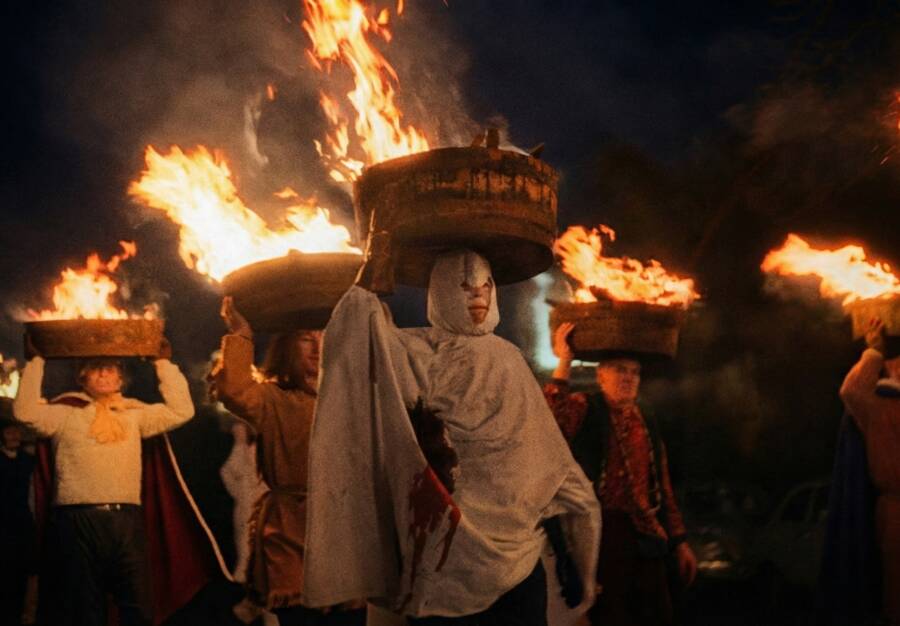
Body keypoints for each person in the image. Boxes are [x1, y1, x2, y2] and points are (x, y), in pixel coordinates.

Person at [303, 243, 601, 626]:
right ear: (439, 291)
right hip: (443, 568)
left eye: (485, 285)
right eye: (462, 285)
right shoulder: (413, 354)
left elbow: (559, 472)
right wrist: (371, 277)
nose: (477, 293)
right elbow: (358, 338)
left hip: (513, 575)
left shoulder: (507, 360)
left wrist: (588, 575)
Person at [13, 337, 199, 626]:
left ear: (121, 379)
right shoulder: (65, 413)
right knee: (85, 611)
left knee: (139, 608)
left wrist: (163, 364)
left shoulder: (134, 414)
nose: (103, 374)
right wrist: (36, 362)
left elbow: (182, 411)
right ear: (82, 377)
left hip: (125, 520)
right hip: (75, 521)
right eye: (96, 368)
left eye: (110, 369)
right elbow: (24, 413)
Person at [214, 296, 365, 626]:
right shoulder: (272, 398)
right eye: (305, 339)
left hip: (344, 527)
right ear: (287, 348)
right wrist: (240, 333)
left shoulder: (352, 396)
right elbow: (234, 390)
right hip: (290, 530)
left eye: (323, 336)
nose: (316, 346)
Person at [544, 322, 696, 626]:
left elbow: (662, 485)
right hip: (601, 533)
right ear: (601, 376)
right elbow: (550, 417)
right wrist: (565, 360)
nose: (628, 378)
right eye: (619, 370)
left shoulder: (646, 417)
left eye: (634, 372)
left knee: (657, 616)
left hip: (646, 534)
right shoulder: (586, 407)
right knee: (608, 617)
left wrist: (679, 540)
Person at [839, 318, 900, 625]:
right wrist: (875, 354)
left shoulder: (881, 408)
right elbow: (852, 392)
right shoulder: (884, 408)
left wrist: (874, 352)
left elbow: (852, 391)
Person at [0, 414, 36, 626]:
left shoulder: (28, 461)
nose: (14, 435)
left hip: (22, 526)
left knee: (22, 575)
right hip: (3, 526)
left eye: (16, 431)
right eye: (9, 431)